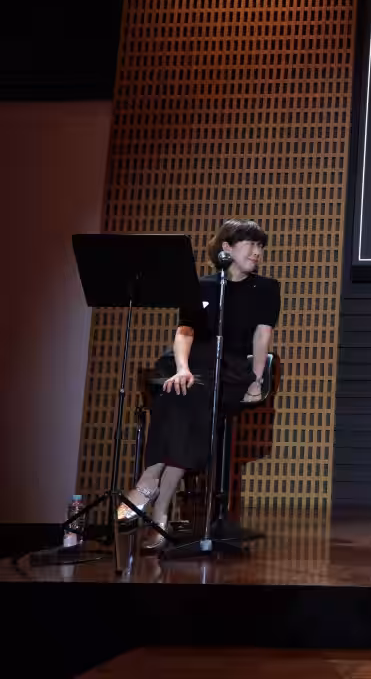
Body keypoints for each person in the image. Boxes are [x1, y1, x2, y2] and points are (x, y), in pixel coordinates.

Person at [118, 219, 280, 549]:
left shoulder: (266, 288)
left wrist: (257, 379)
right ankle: (160, 510)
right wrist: (181, 368)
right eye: (251, 244)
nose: (257, 251)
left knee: (190, 399)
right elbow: (185, 330)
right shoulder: (202, 286)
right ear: (227, 248)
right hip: (189, 363)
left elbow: (262, 336)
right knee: (182, 394)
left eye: (261, 246)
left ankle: (149, 482)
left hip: (229, 368)